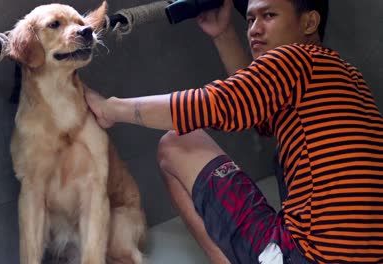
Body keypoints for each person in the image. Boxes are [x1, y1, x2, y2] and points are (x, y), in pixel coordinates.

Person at [85, 0, 383, 263]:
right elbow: (260, 110)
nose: (254, 28)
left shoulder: (296, 58)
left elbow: (213, 104)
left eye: (268, 15)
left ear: (309, 22)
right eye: (251, 19)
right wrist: (224, 33)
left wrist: (111, 108)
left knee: (177, 143)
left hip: (306, 257)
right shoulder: (342, 76)